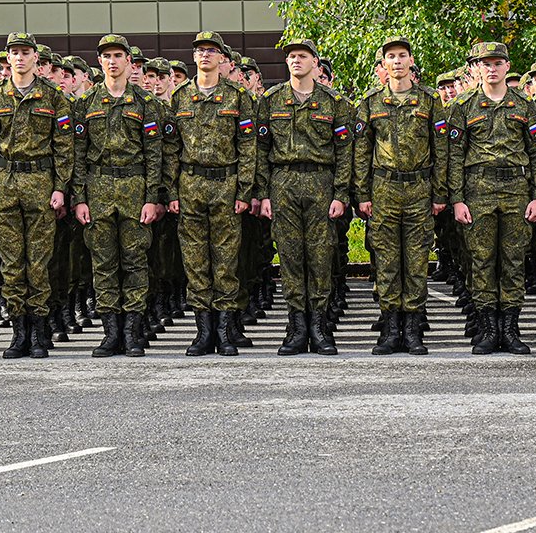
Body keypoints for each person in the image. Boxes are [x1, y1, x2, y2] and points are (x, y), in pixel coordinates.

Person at [445, 41, 536, 355]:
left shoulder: (525, 105)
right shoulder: (463, 106)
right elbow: (454, 155)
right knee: (482, 260)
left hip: (517, 189)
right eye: (485, 64)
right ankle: (489, 329)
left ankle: (511, 329)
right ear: (477, 68)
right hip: (478, 191)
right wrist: (457, 199)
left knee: (514, 261)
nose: (491, 69)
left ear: (506, 66)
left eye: (497, 63)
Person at [0, 32, 75, 360]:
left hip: (40, 183)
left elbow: (64, 147)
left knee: (39, 262)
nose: (19, 58)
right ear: (7, 58)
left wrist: (61, 187)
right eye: (14, 52)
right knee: (11, 262)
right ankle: (19, 331)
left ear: (36, 57)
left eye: (25, 52)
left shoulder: (53, 96)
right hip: (5, 183)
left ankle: (38, 331)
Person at [255, 38, 354, 356]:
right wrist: (264, 193)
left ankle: (319, 328)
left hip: (321, 182)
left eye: (303, 56)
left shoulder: (334, 102)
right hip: (283, 182)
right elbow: (261, 151)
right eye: (291, 57)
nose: (296, 60)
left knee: (321, 257)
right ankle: (296, 328)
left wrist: (341, 193)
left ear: (315, 62)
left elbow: (345, 152)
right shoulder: (271, 100)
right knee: (291, 258)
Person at [73, 34, 167, 358]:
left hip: (134, 189)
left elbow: (155, 154)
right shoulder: (85, 104)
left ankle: (133, 332)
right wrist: (79, 198)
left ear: (129, 61)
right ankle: (110, 332)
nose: (112, 61)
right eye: (106, 56)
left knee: (135, 263)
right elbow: (78, 155)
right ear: (99, 62)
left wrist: (152, 197)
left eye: (118, 55)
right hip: (98, 192)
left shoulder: (146, 103)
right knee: (103, 264)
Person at [354, 35, 449, 355]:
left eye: (402, 55)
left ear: (410, 61)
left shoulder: (430, 99)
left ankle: (412, 329)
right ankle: (390, 328)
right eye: (391, 57)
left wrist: (440, 193)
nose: (397, 61)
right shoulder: (370, 102)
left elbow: (442, 150)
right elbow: (362, 151)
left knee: (417, 260)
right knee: (387, 262)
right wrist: (362, 194)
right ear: (384, 64)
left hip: (420, 189)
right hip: (383, 190)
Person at [167, 31, 257, 356]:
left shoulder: (238, 97)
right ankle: (203, 332)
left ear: (221, 58)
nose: (205, 55)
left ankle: (224, 332)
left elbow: (248, 147)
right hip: (190, 186)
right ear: (194, 57)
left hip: (226, 185)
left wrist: (245, 190)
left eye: (211, 51)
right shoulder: (179, 97)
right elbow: (171, 148)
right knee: (195, 261)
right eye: (200, 50)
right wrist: (171, 190)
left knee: (225, 261)